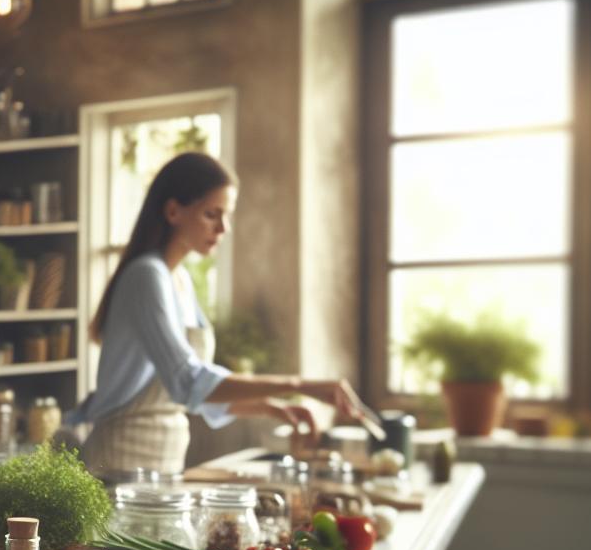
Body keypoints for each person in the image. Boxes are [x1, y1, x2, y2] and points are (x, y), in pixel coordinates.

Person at [67, 152, 372, 479]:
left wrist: (270, 408)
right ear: (173, 211)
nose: (223, 228)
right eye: (211, 214)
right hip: (119, 464)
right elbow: (188, 381)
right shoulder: (146, 277)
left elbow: (190, 395)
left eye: (226, 215)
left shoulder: (179, 280)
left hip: (162, 465)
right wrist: (299, 384)